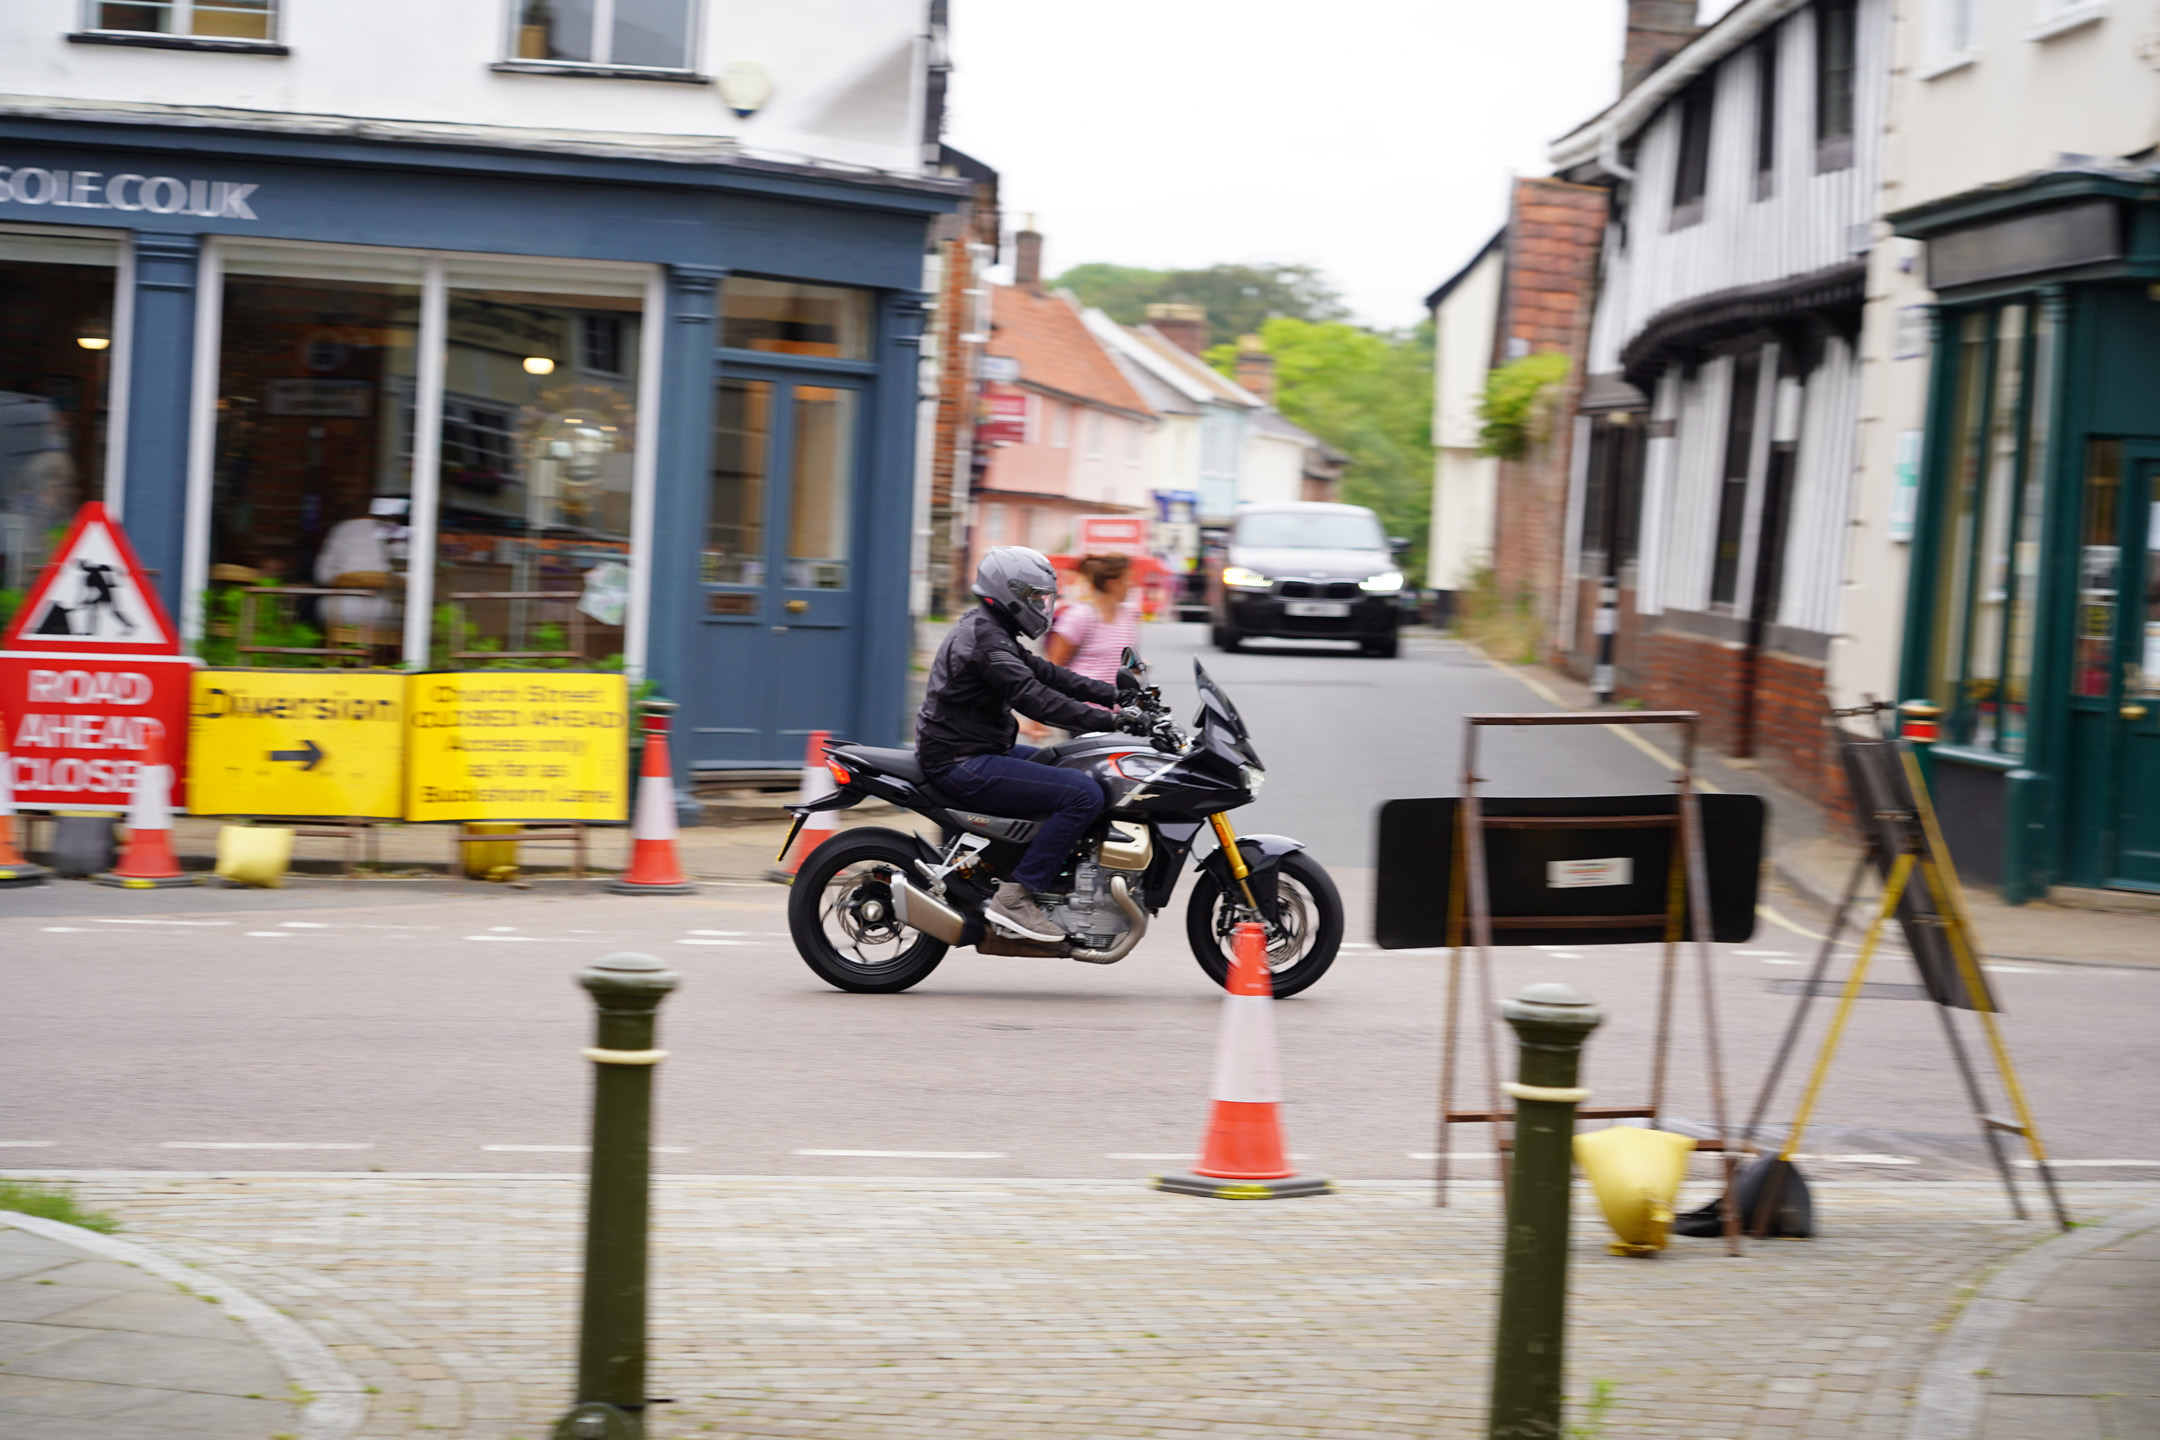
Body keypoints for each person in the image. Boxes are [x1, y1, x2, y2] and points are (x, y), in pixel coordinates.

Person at [916, 546, 1146, 943]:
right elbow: (1034, 698)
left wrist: (1117, 696)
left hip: (978, 750)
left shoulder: (991, 628)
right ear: (1010, 593)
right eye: (1035, 598)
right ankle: (1017, 896)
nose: (1042, 606)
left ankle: (1029, 875)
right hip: (961, 761)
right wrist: (1112, 720)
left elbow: (1048, 673)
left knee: (1072, 770)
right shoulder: (987, 641)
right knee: (1083, 795)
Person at [1046, 552, 1142, 689]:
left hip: (1117, 707)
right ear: (1112, 583)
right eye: (1128, 578)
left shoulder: (1129, 615)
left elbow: (1125, 662)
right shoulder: (1080, 616)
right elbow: (1053, 666)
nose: (1131, 585)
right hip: (1083, 706)